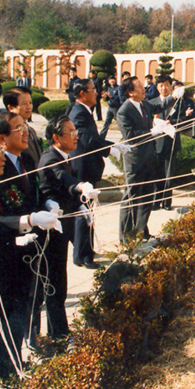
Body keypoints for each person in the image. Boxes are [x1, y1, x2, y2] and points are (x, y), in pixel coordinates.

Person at [0, 132, 58, 384]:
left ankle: (9, 377)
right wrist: (27, 221)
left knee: (12, 332)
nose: (2, 156)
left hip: (13, 271)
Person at [33, 116, 101, 339]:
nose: (76, 136)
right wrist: (81, 186)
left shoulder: (64, 155)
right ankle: (58, 335)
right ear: (56, 137)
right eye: (70, 132)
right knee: (54, 283)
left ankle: (58, 332)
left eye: (75, 131)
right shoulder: (51, 157)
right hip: (51, 230)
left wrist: (80, 205)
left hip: (63, 223)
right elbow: (62, 179)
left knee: (58, 282)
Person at [116, 75, 180, 243]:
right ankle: (125, 237)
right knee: (131, 198)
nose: (144, 89)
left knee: (146, 196)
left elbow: (159, 105)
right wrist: (152, 133)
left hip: (148, 158)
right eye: (139, 87)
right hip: (135, 161)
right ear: (130, 92)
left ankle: (141, 231)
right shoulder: (124, 111)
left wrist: (174, 96)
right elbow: (130, 137)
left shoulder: (144, 103)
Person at [68, 78, 116, 267]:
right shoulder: (78, 113)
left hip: (88, 168)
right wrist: (112, 148)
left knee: (88, 212)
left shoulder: (85, 111)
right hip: (82, 169)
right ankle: (82, 256)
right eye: (92, 89)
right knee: (83, 213)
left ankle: (87, 249)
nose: (96, 92)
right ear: (82, 94)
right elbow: (88, 141)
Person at [151, 77, 195, 210]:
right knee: (156, 174)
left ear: (171, 86)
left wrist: (173, 123)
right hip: (156, 143)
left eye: (166, 85)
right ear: (157, 87)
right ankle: (155, 201)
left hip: (171, 142)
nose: (163, 88)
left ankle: (166, 203)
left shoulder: (178, 102)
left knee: (168, 174)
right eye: (161, 85)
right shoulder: (152, 103)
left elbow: (183, 120)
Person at [4, 87, 41, 168]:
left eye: (30, 103)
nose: (29, 107)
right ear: (11, 108)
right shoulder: (9, 133)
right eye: (24, 103)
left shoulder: (31, 130)